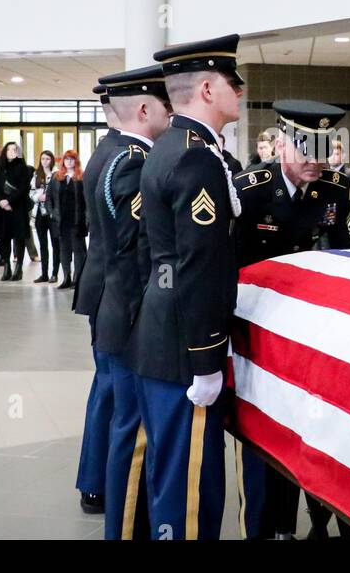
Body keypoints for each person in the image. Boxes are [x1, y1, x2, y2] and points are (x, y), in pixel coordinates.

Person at [132, 35, 244, 539]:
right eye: (231, 83)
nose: (239, 91)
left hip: (162, 327)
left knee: (171, 474)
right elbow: (199, 266)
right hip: (185, 342)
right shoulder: (197, 158)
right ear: (206, 88)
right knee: (191, 485)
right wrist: (206, 359)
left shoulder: (168, 145)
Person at [234, 100, 350, 540]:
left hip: (315, 336)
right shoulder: (249, 190)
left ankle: (322, 518)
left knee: (315, 428)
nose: (315, 161)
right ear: (281, 143)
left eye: (323, 149)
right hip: (261, 334)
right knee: (267, 432)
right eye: (305, 149)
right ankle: (271, 528)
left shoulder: (337, 190)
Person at [92, 66, 172, 538]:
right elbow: (136, 250)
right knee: (133, 429)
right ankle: (123, 528)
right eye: (166, 105)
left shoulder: (113, 154)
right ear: (145, 109)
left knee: (127, 424)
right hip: (129, 314)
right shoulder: (134, 163)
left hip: (115, 308)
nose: (172, 113)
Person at [72, 84, 123, 515]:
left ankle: (96, 480)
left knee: (105, 386)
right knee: (109, 387)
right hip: (112, 290)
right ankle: (96, 482)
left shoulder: (105, 150)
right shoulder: (122, 156)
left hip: (101, 285)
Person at [0, 142, 33, 280]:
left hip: (18, 208)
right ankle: (7, 266)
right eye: (8, 149)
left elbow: (23, 188)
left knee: (19, 238)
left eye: (14, 150)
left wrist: (9, 201)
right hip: (2, 209)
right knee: (3, 238)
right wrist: (2, 201)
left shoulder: (23, 169)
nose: (11, 152)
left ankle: (18, 268)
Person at [47, 150, 87, 289]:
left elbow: (87, 201)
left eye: (72, 159)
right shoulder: (56, 177)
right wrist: (52, 213)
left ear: (76, 161)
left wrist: (87, 219)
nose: (69, 162)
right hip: (61, 221)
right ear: (62, 161)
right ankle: (66, 277)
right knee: (64, 250)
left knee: (78, 250)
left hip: (77, 220)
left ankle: (77, 278)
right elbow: (49, 198)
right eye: (66, 159)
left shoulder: (82, 177)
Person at [30, 150, 59, 283]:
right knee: (43, 244)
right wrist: (38, 197)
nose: (45, 161)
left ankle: (55, 273)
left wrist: (49, 198)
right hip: (40, 214)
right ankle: (44, 273)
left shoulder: (57, 174)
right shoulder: (36, 174)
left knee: (55, 244)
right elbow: (30, 192)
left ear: (52, 160)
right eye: (43, 159)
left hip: (52, 214)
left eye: (47, 159)